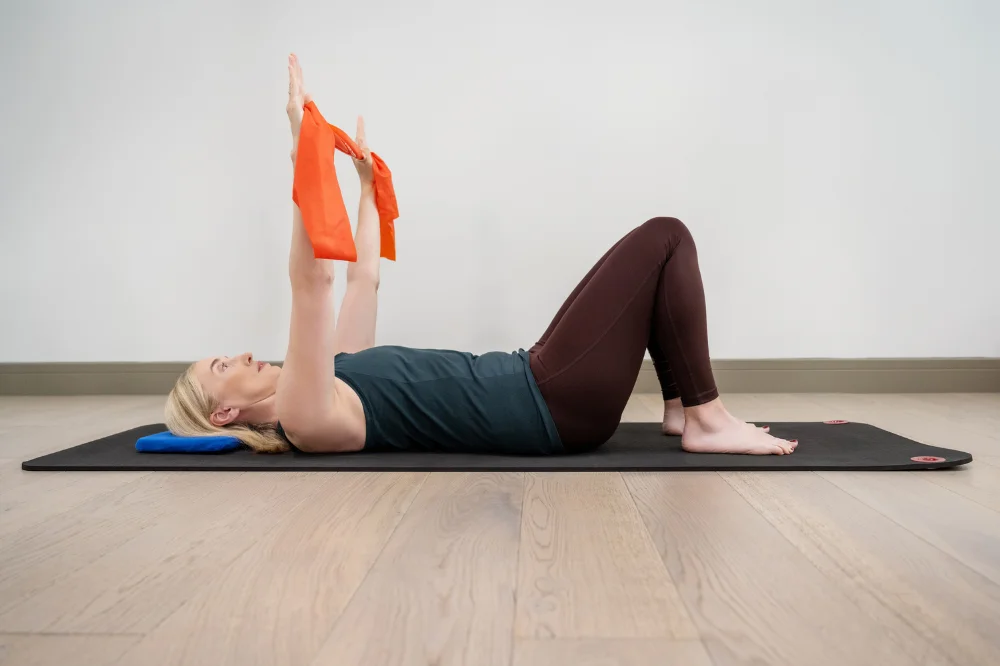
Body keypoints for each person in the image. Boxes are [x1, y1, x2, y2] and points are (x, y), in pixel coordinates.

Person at [164, 54, 798, 457]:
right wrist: (299, 147)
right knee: (666, 237)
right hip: (551, 403)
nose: (240, 353)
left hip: (536, 378)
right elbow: (313, 283)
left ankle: (679, 411)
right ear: (225, 412)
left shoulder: (332, 378)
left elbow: (362, 283)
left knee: (652, 258)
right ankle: (707, 418)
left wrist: (366, 187)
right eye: (223, 365)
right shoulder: (307, 417)